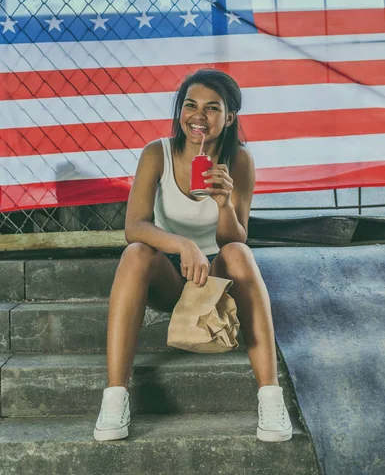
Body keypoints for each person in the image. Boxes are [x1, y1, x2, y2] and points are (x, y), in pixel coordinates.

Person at [94, 68, 293, 443]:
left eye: (212, 108)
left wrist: (224, 205)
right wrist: (182, 245)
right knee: (135, 253)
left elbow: (237, 238)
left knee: (238, 252)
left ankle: (270, 399)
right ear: (180, 111)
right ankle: (114, 399)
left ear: (229, 117)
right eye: (190, 105)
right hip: (170, 276)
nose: (198, 116)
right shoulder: (158, 153)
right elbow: (134, 225)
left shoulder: (240, 161)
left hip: (218, 282)